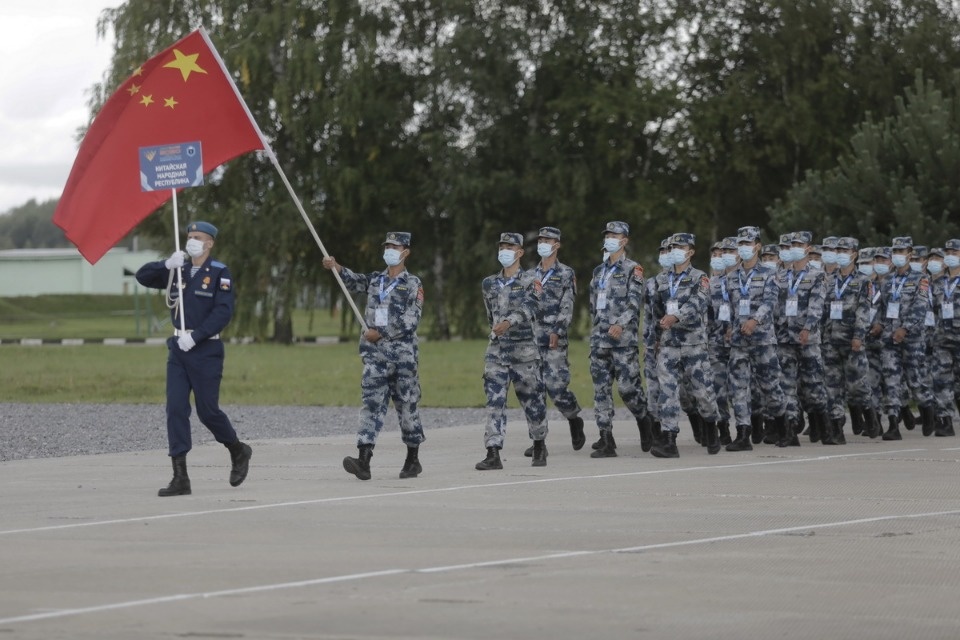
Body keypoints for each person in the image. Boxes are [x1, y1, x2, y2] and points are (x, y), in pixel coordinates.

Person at [135, 221, 252, 497]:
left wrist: (196, 336)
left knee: (207, 411)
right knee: (175, 408)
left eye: (197, 237)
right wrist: (165, 265)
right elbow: (142, 276)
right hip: (178, 347)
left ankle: (238, 450)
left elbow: (222, 313)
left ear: (209, 243)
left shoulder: (220, 273)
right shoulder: (179, 270)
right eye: (189, 237)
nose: (191, 241)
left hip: (205, 349)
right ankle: (180, 477)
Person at [321, 231, 427, 480]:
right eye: (387, 245)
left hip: (402, 358)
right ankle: (364, 460)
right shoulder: (376, 279)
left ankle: (413, 459)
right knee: (371, 405)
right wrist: (336, 267)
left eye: (394, 246)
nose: (389, 249)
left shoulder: (413, 284)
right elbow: (353, 281)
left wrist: (382, 333)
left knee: (407, 406)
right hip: (375, 356)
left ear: (405, 252)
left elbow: (412, 319)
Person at [476, 232, 548, 470]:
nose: (504, 250)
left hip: (524, 353)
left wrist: (509, 322)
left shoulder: (531, 280)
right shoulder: (489, 283)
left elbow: (531, 307)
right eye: (501, 246)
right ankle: (493, 452)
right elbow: (490, 314)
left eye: (509, 246)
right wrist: (498, 328)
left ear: (519, 252)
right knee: (494, 402)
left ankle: (539, 443)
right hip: (497, 352)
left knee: (532, 401)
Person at [649, 233, 720, 457]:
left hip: (694, 344)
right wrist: (656, 337)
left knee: (702, 393)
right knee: (667, 391)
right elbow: (656, 311)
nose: (675, 251)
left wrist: (676, 317)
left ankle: (711, 426)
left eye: (680, 247)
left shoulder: (700, 277)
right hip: (669, 345)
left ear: (690, 251)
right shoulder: (661, 280)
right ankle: (670, 440)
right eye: (672, 247)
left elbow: (698, 303)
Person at [587, 221, 651, 458]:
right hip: (599, 341)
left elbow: (635, 303)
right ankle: (606, 439)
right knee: (601, 391)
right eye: (607, 235)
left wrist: (620, 324)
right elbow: (593, 305)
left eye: (614, 235)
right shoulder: (599, 271)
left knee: (628, 389)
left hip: (622, 342)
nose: (609, 239)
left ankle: (645, 420)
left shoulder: (633, 269)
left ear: (624, 240)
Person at [725, 225, 788, 451]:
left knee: (770, 386)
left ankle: (783, 428)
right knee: (738, 387)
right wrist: (730, 327)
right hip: (739, 342)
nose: (743, 248)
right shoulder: (731, 277)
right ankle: (743, 434)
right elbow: (730, 307)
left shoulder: (770, 274)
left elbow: (770, 302)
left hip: (762, 340)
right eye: (740, 244)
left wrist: (755, 320)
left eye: (747, 243)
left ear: (758, 246)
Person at [526, 226, 586, 456]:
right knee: (534, 391)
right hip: (531, 340)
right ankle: (538, 441)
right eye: (540, 238)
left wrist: (558, 330)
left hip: (553, 338)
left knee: (556, 387)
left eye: (547, 239)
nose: (543, 242)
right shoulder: (529, 275)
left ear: (557, 244)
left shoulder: (566, 273)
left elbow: (567, 304)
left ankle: (573, 418)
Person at [872, 236, 936, 439]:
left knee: (915, 380)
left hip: (912, 339)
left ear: (910, 254)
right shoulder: (888, 281)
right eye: (895, 251)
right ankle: (893, 425)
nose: (898, 255)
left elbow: (920, 307)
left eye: (902, 251)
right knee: (891, 381)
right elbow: (883, 309)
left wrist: (906, 328)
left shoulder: (920, 279)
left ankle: (928, 412)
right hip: (889, 340)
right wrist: (879, 324)